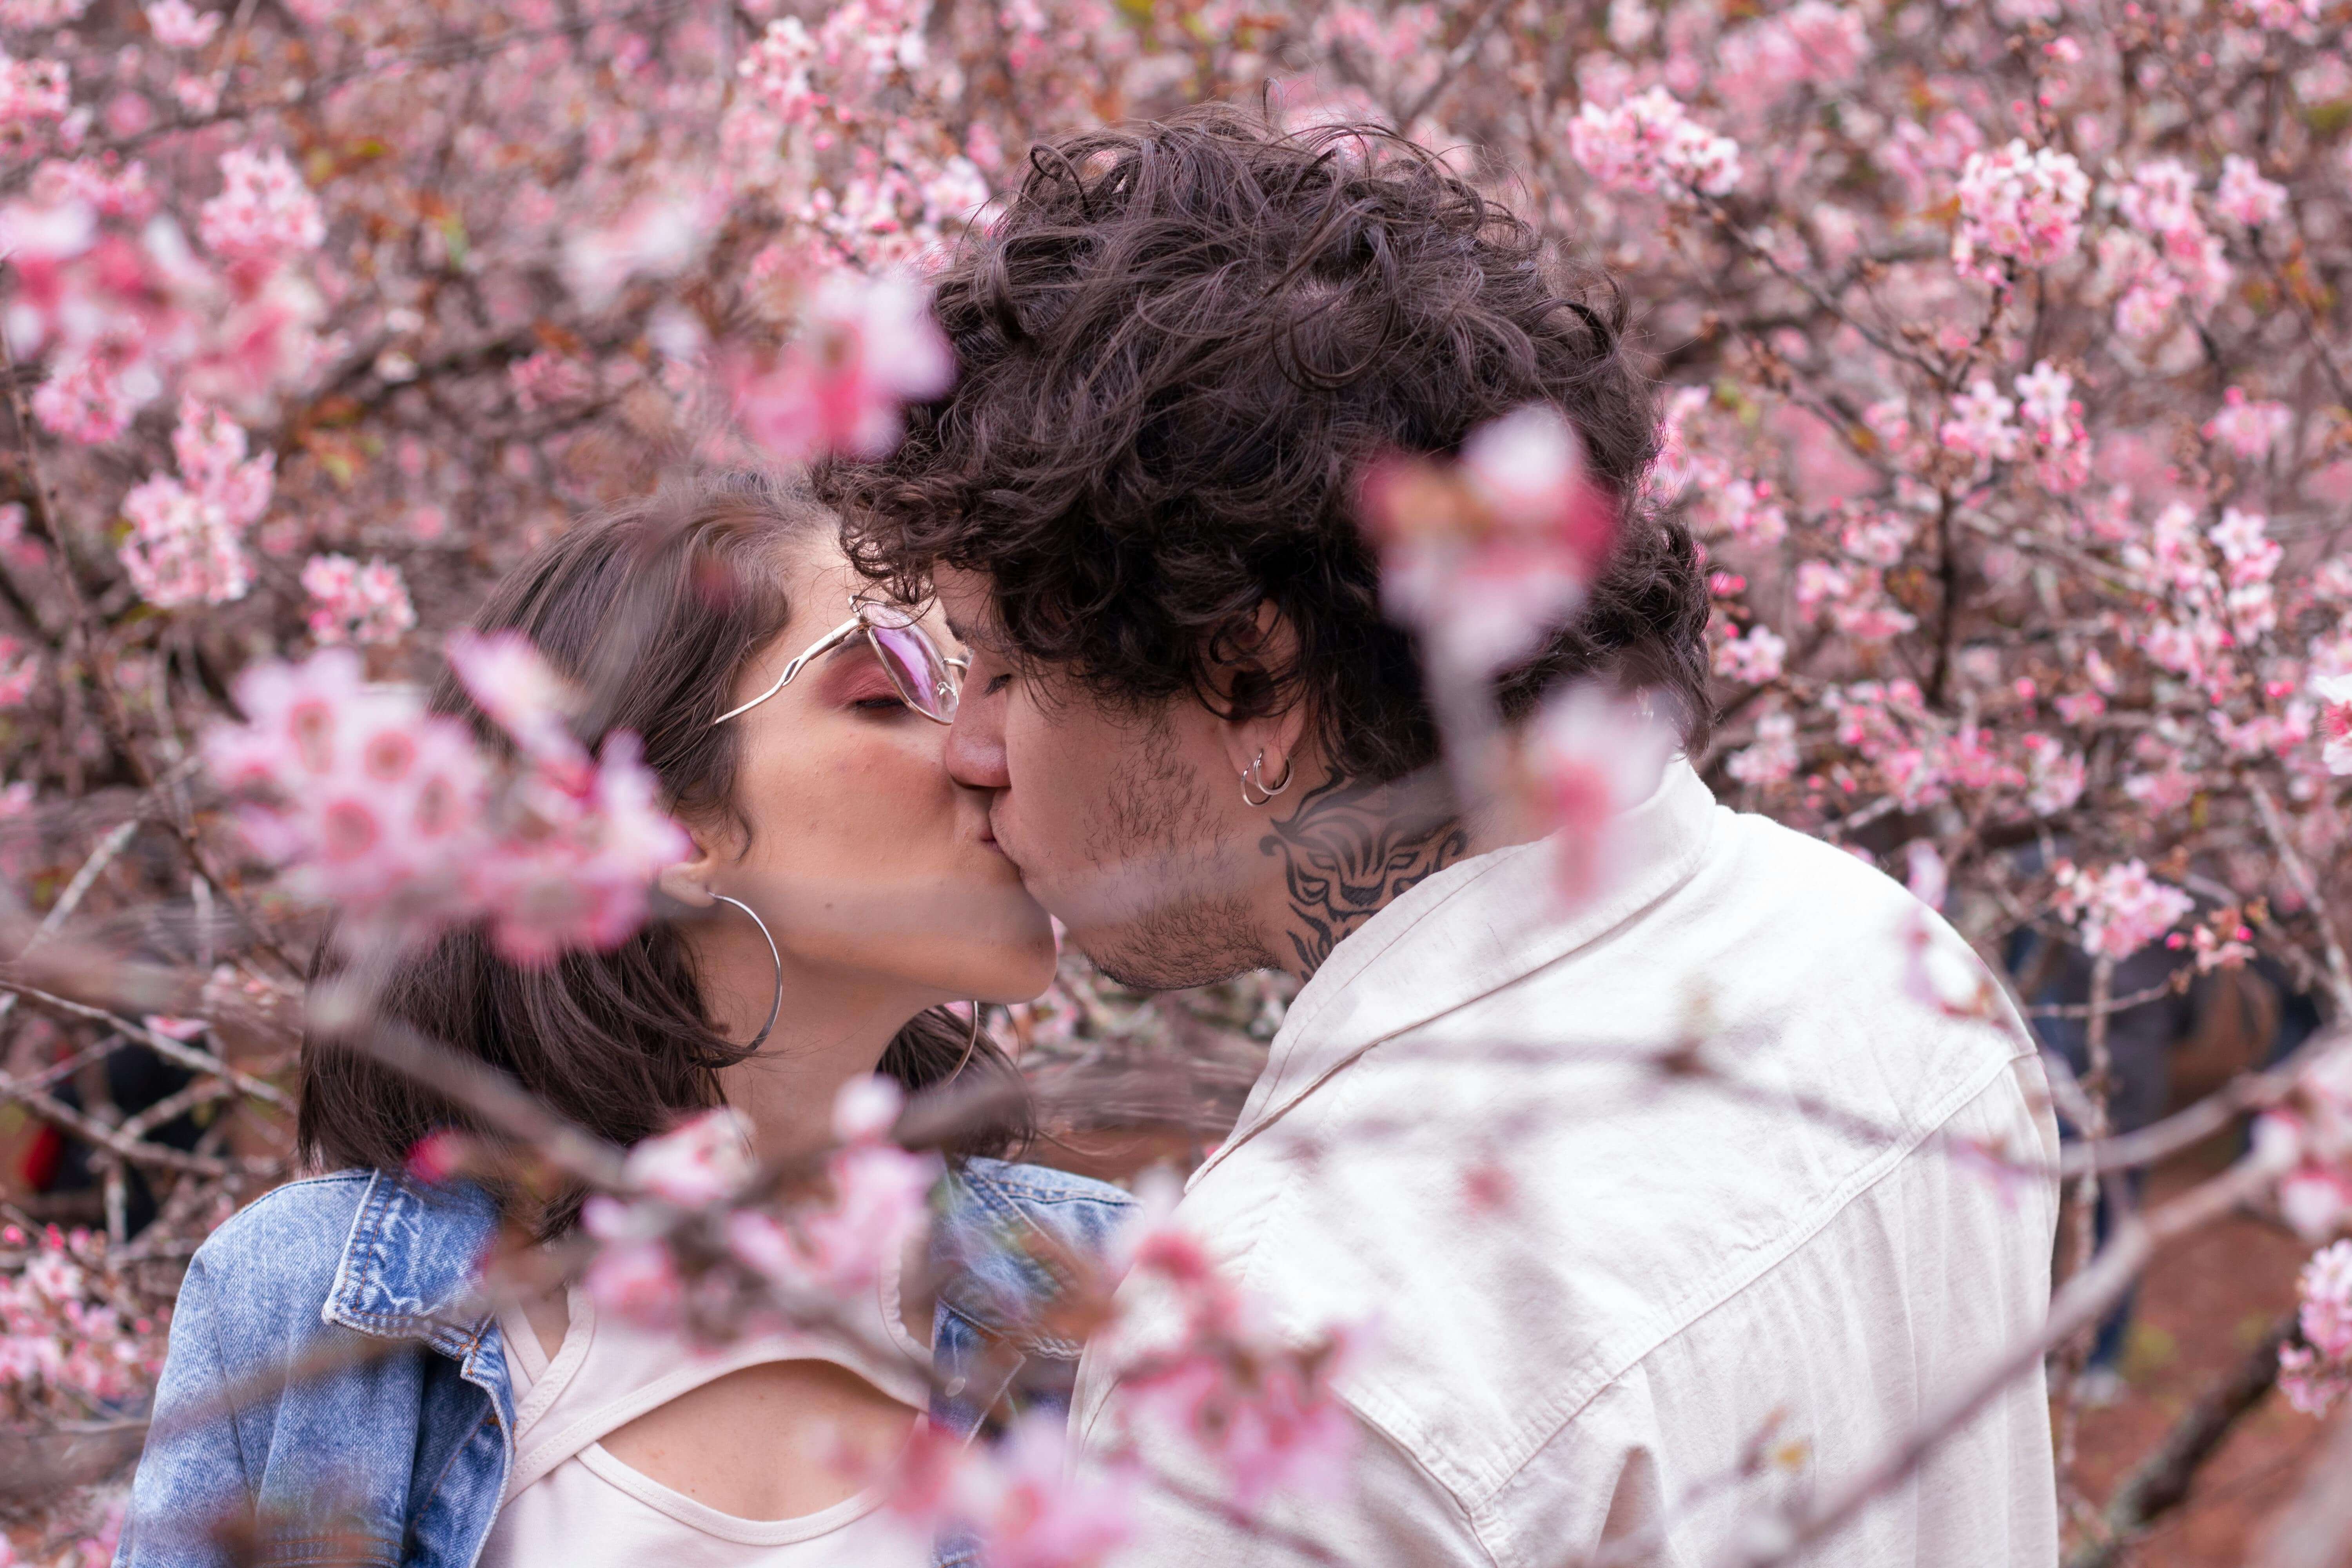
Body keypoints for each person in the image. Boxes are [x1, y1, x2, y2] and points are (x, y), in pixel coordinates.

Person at [826, 109, 2062, 1564]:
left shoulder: (1286, 1348)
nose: (970, 750)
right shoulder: (1893, 964)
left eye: (1010, 670)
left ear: (1246, 675)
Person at [113, 470, 1132, 1568]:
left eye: (997, 687)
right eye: (890, 695)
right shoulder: (316, 1304)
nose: (989, 755)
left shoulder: (1111, 1290)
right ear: (658, 821)